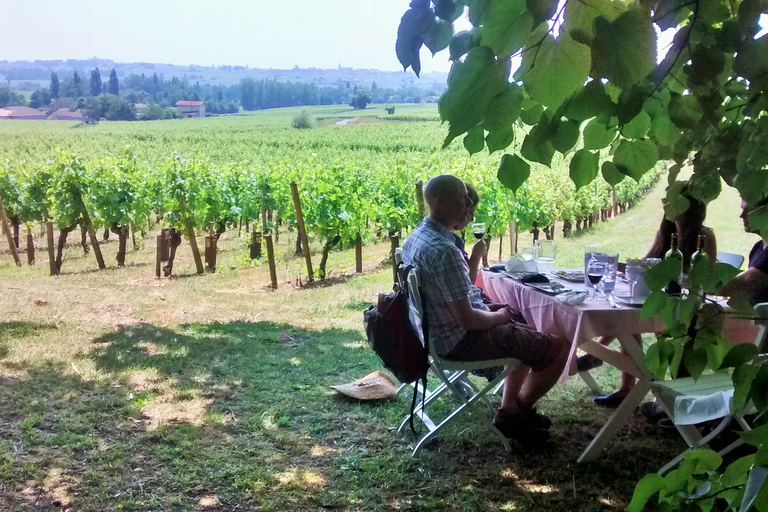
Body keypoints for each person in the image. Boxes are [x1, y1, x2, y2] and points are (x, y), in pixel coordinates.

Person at [402, 174, 569, 445]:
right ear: (440, 202)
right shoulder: (445, 250)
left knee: (525, 327)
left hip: (433, 337)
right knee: (559, 348)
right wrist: (500, 316)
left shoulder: (418, 238)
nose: (469, 201)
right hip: (458, 341)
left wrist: (494, 310)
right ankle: (513, 414)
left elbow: (455, 296)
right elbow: (467, 319)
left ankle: (512, 408)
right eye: (462, 196)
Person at [580, 190, 718, 408]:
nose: (665, 205)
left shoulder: (704, 236)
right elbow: (645, 265)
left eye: (670, 202)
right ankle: (624, 386)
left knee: (626, 316)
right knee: (624, 312)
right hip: (659, 301)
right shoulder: (665, 233)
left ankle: (596, 359)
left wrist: (668, 275)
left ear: (686, 207)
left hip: (683, 306)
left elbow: (705, 277)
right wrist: (617, 266)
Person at [719, 199, 768, 303]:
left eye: (748, 211)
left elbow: (745, 282)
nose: (742, 215)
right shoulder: (757, 247)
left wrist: (693, 281)